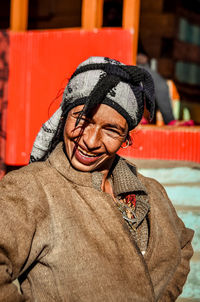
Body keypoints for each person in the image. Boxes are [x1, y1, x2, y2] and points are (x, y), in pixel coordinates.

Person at [0, 57, 194, 302]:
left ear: (126, 137)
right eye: (82, 120)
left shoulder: (152, 193)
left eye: (112, 130)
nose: (90, 141)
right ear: (64, 117)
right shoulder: (31, 188)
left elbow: (182, 247)